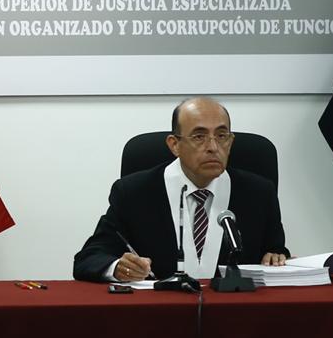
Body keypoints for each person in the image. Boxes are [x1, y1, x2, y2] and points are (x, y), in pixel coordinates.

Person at [73, 97, 289, 282]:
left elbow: (275, 252)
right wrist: (118, 268)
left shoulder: (259, 193)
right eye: (199, 136)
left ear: (231, 142)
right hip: (158, 312)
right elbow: (89, 258)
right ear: (174, 144)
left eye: (222, 136)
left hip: (236, 313)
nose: (213, 147)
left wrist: (276, 259)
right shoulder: (133, 192)